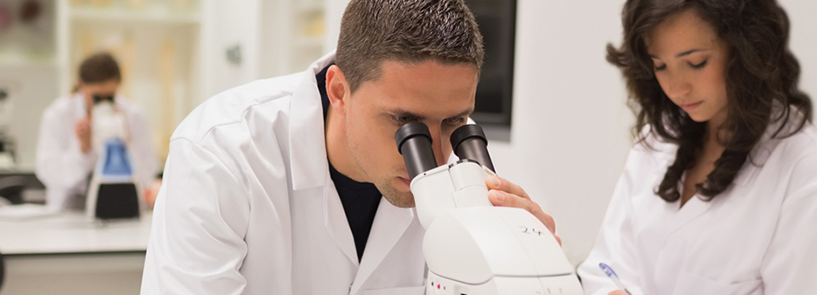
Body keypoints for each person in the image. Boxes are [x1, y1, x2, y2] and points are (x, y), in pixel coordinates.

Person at [140, 0, 557, 294]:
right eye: (404, 123)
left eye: (454, 122)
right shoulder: (220, 153)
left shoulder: (461, 175)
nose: (434, 156)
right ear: (339, 90)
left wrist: (530, 268)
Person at [576, 1, 817, 295]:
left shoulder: (809, 169)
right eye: (660, 65)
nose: (676, 88)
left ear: (744, 49)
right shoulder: (657, 142)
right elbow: (604, 269)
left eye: (696, 62)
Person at [35, 52, 158, 212]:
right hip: (68, 210)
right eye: (97, 97)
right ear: (80, 86)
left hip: (122, 208)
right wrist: (82, 150)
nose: (104, 104)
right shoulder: (58, 115)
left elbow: (148, 172)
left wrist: (125, 145)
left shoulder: (133, 115)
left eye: (110, 97)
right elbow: (49, 173)